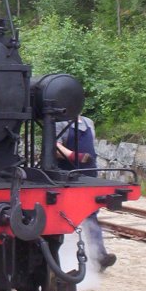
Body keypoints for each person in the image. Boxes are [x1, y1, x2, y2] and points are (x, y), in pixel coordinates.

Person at [56, 114, 117, 271]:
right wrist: (73, 155)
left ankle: (99, 256)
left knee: (91, 215)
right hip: (68, 175)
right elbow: (54, 147)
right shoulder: (60, 122)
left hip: (89, 174)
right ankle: (62, 257)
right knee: (64, 216)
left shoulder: (89, 122)